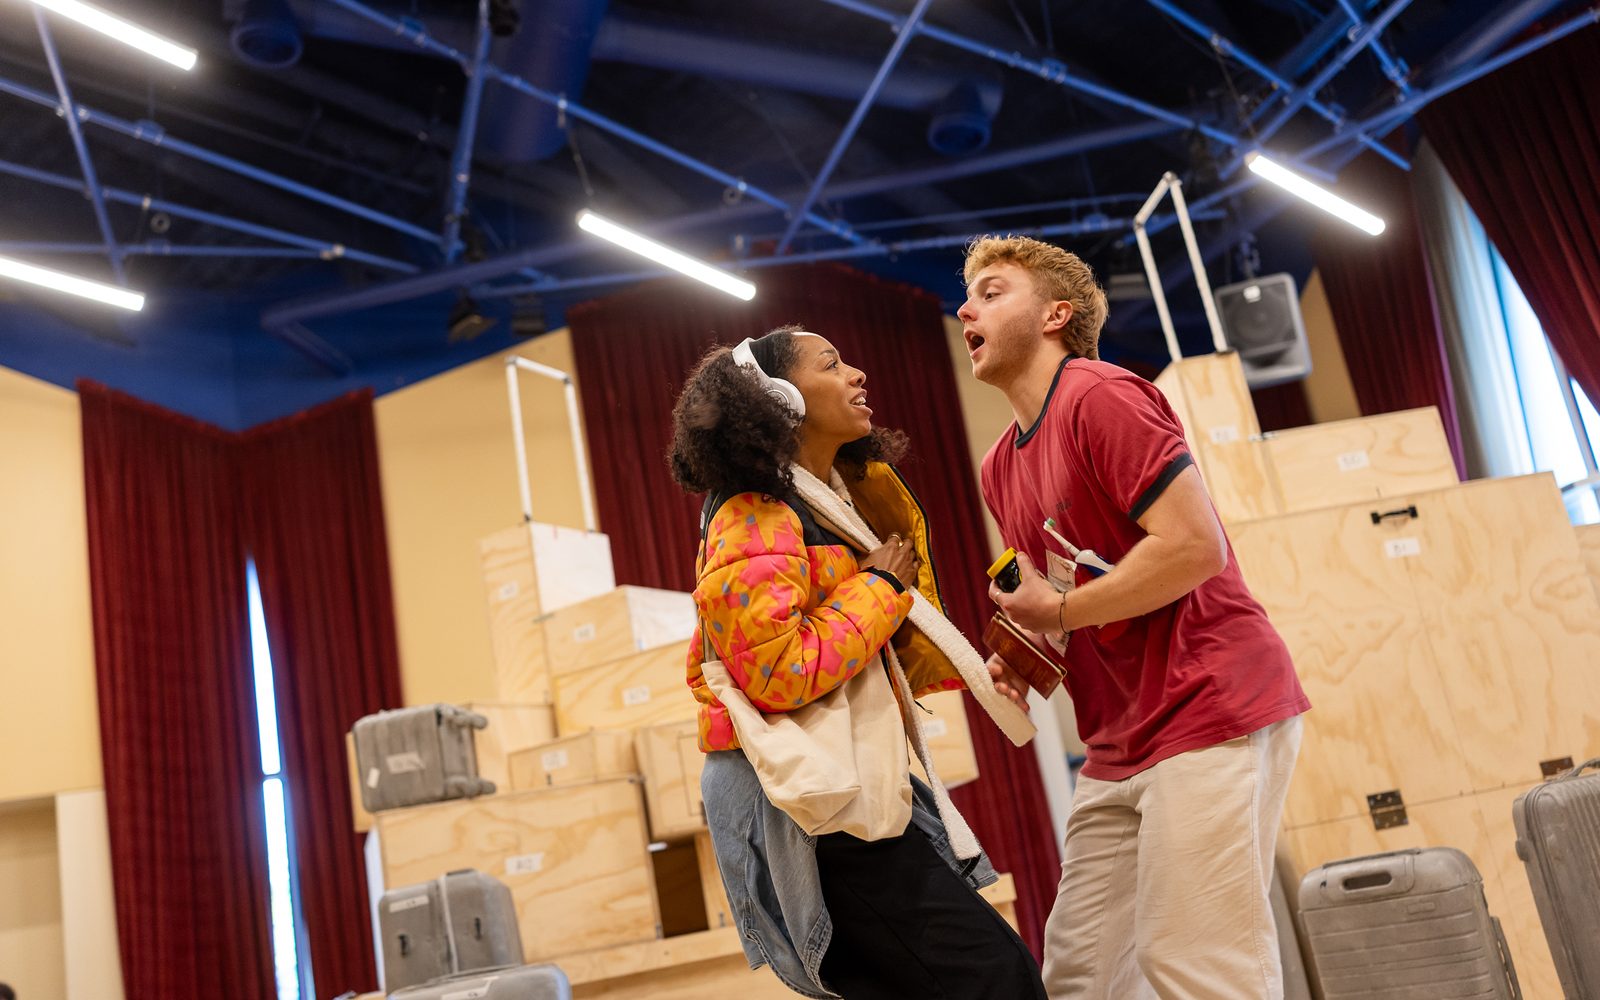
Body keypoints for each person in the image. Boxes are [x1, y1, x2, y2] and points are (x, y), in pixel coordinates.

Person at [958, 235, 1310, 1000]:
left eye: (991, 291)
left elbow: (1193, 547)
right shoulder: (1000, 467)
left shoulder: (1099, 394)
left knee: (1194, 965)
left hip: (1209, 706)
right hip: (1117, 743)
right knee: (1083, 976)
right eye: (967, 296)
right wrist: (1024, 654)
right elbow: (1067, 584)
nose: (966, 307)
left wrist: (1057, 608)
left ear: (1057, 314)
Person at [668, 325, 1046, 1000]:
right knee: (995, 980)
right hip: (806, 809)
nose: (858, 374)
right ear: (778, 398)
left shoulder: (819, 502)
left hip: (832, 792)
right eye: (832, 364)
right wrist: (879, 588)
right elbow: (776, 672)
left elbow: (848, 644)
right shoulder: (754, 514)